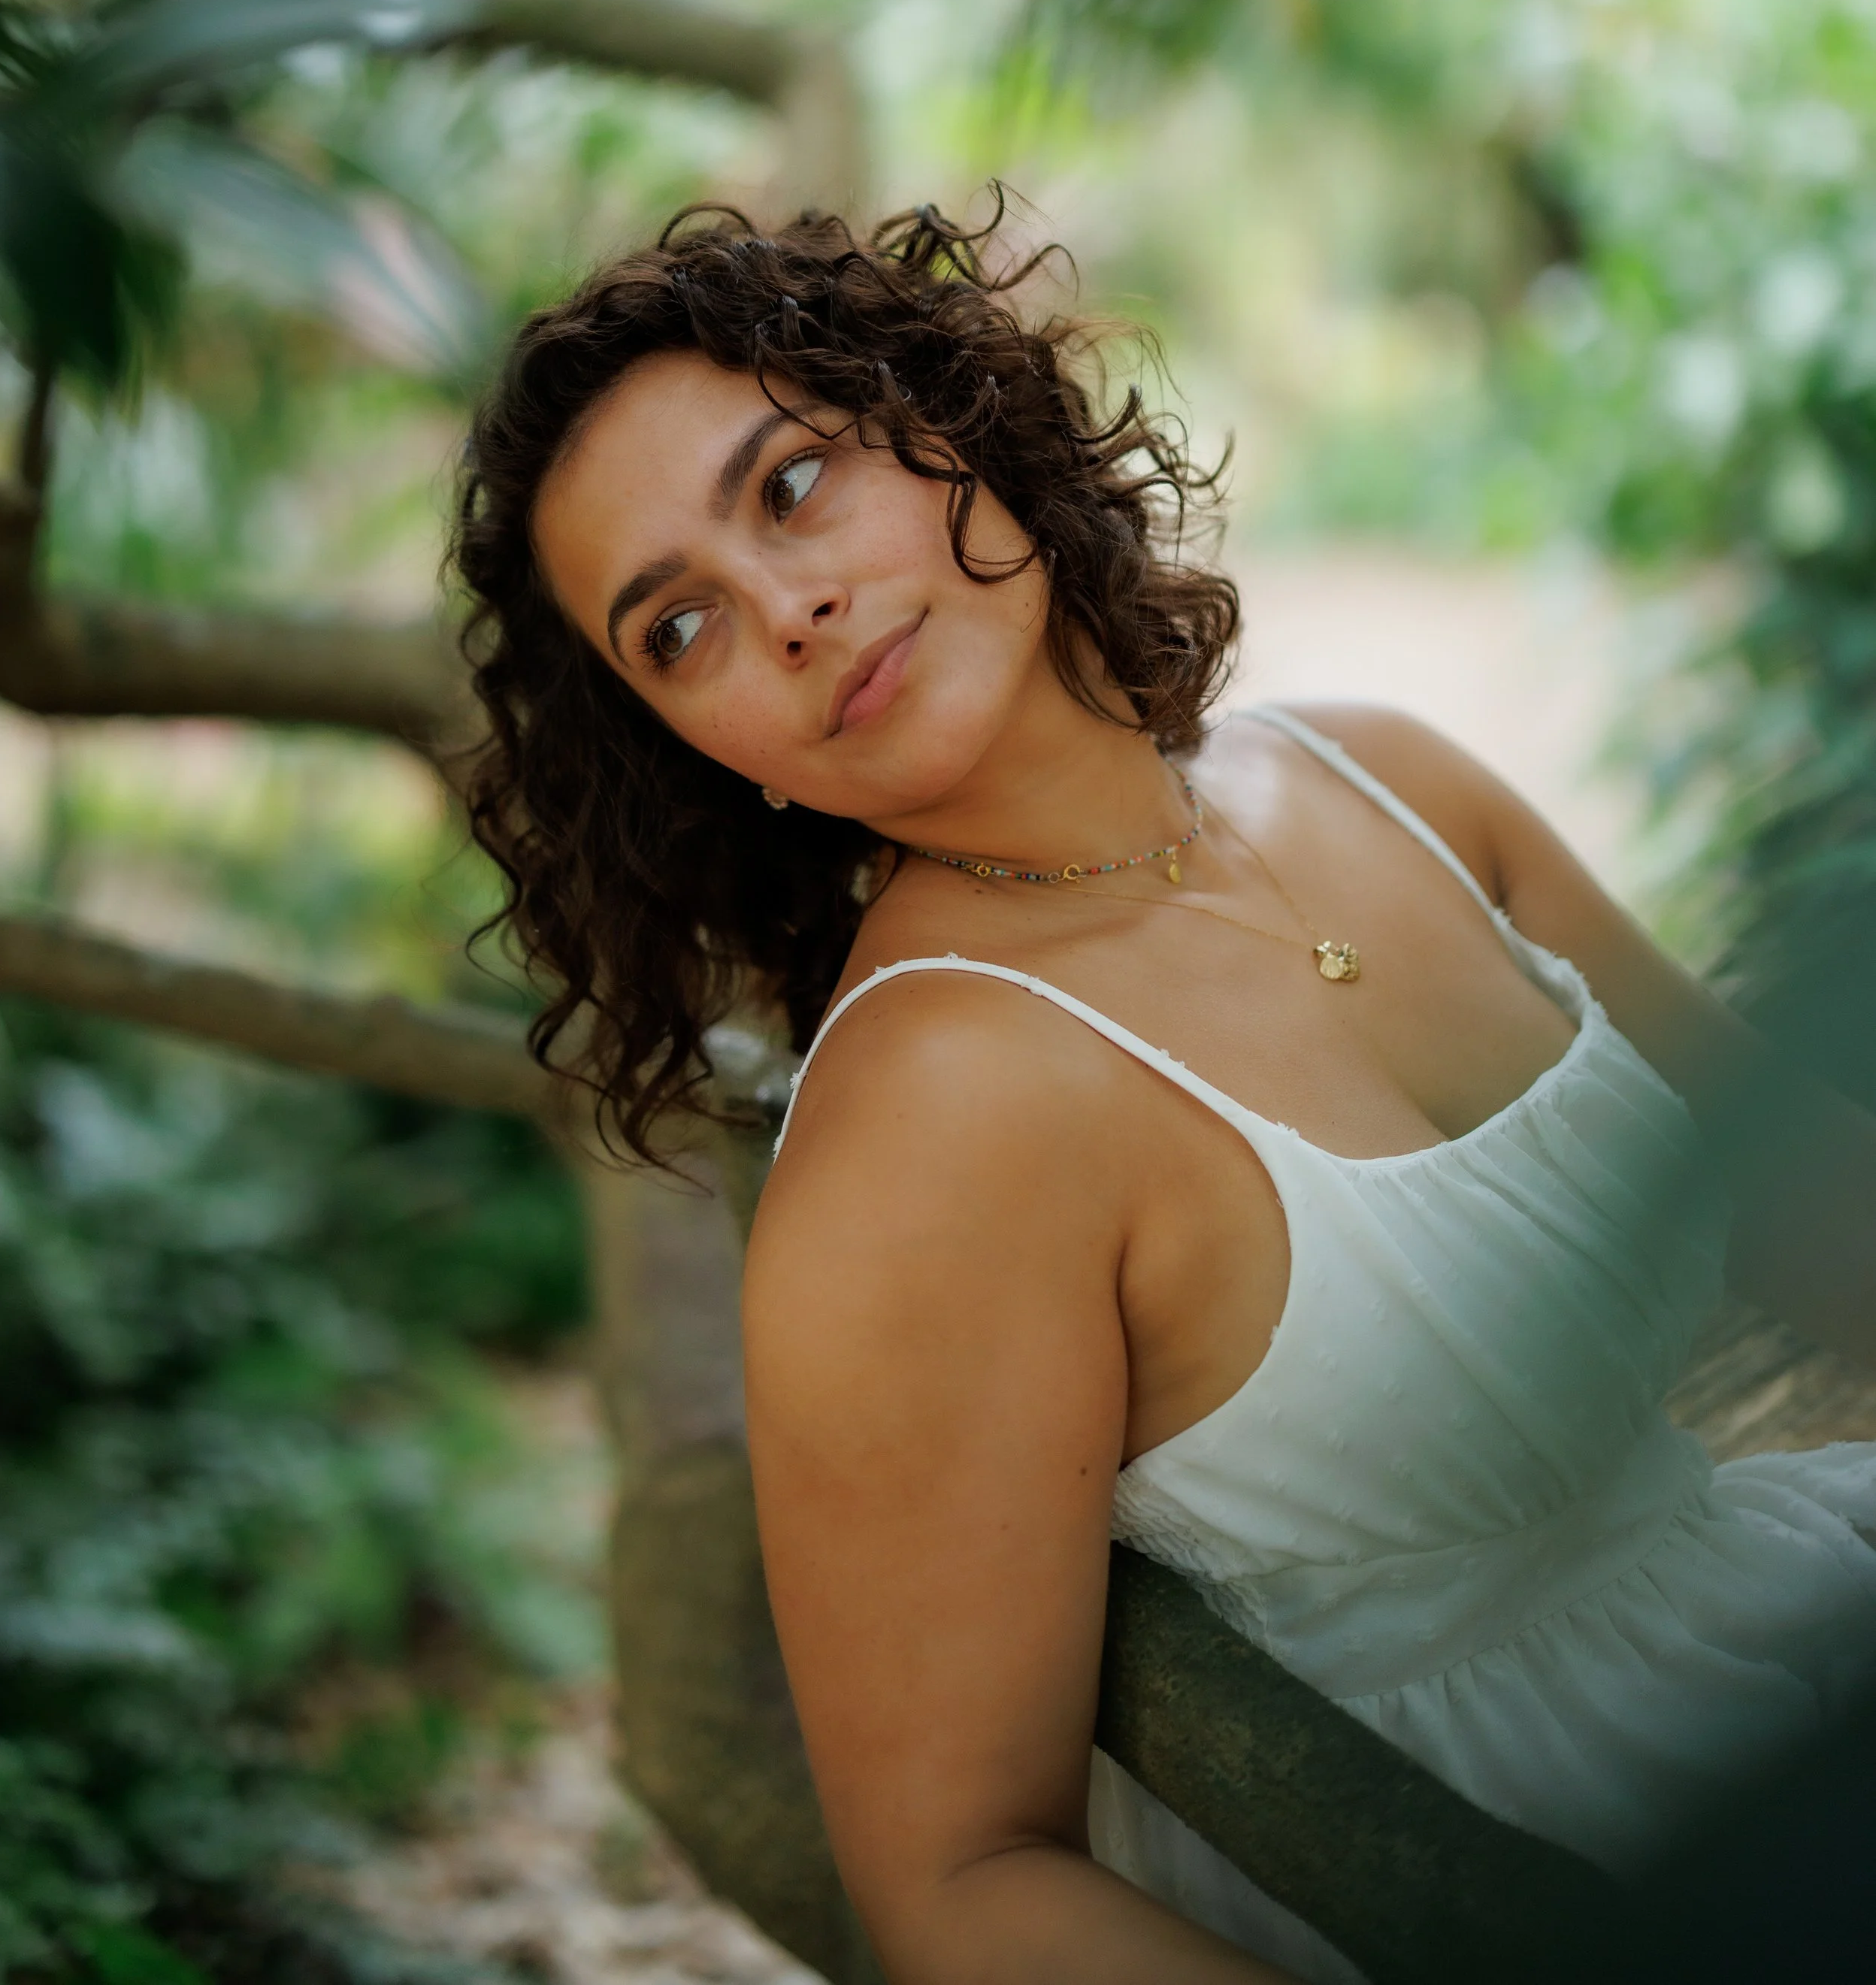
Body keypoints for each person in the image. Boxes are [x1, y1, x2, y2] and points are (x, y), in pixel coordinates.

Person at [452, 201, 1876, 1985]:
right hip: (1471, 1886)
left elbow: (1808, 1208)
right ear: (698, 756)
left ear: (939, 418)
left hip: (1783, 1665)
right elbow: (960, 1887)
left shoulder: (1382, 779)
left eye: (791, 487)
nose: (788, 611)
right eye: (679, 631)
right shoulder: (931, 1127)